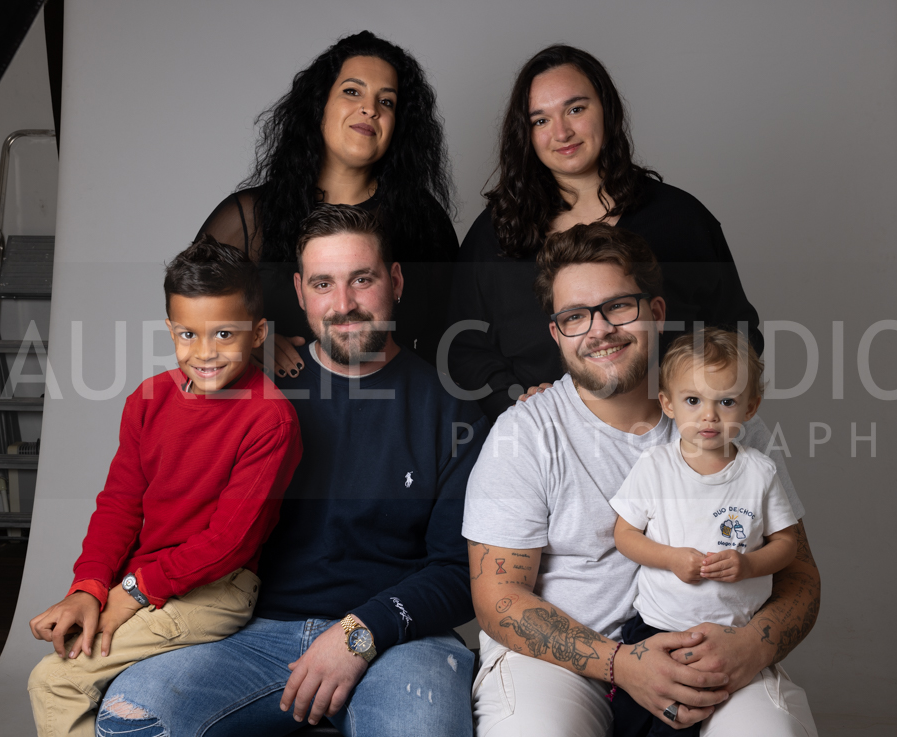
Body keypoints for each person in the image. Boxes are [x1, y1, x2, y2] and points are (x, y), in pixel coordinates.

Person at [97, 205, 490, 736]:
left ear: (395, 282)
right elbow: (153, 505)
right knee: (133, 719)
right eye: (324, 284)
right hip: (249, 631)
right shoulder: (250, 394)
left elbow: (461, 571)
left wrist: (360, 633)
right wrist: (104, 586)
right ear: (300, 293)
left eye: (363, 280)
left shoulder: (453, 412)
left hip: (396, 638)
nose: (344, 304)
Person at [462, 223, 820, 737]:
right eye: (575, 316)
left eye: (618, 306)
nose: (599, 329)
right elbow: (498, 599)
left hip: (716, 649)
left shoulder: (732, 427)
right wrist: (621, 664)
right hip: (560, 663)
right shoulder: (524, 433)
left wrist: (750, 647)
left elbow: (800, 576)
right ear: (556, 333)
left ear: (656, 311)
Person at [27, 238, 303, 737]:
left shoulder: (270, 419)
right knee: (94, 676)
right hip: (147, 583)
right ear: (171, 330)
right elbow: (119, 506)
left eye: (224, 334)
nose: (205, 352)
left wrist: (134, 592)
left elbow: (229, 543)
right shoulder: (148, 400)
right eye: (188, 334)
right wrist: (89, 586)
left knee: (55, 682)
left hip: (215, 592)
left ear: (258, 333)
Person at [447, 44, 763, 423]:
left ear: (607, 110)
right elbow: (464, 349)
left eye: (575, 109)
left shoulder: (682, 219)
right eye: (541, 120)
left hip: (677, 435)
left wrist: (694, 399)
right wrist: (520, 402)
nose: (562, 132)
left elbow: (739, 333)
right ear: (525, 134)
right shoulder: (495, 235)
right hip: (548, 438)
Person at [199, 30, 458, 375]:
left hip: (388, 404)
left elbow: (451, 339)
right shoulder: (250, 217)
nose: (370, 109)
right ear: (319, 104)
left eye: (387, 102)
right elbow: (192, 315)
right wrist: (247, 340)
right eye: (352, 91)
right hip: (275, 406)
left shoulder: (424, 221)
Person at [609, 328, 805, 737]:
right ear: (668, 403)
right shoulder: (655, 467)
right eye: (693, 401)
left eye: (727, 402)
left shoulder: (760, 473)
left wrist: (749, 564)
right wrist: (671, 558)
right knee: (638, 724)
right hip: (657, 629)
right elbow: (624, 534)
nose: (709, 416)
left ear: (751, 407)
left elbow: (787, 544)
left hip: (733, 637)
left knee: (700, 720)